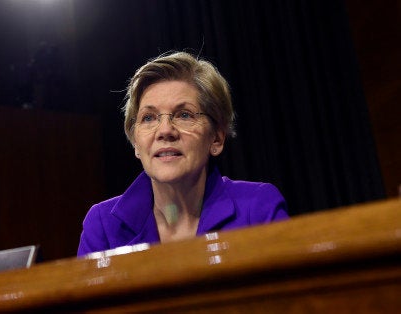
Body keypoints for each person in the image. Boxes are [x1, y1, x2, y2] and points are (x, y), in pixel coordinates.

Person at [78, 51, 288, 256]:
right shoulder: (103, 225)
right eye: (149, 118)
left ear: (216, 138)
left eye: (184, 115)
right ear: (135, 142)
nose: (165, 131)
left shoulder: (257, 209)